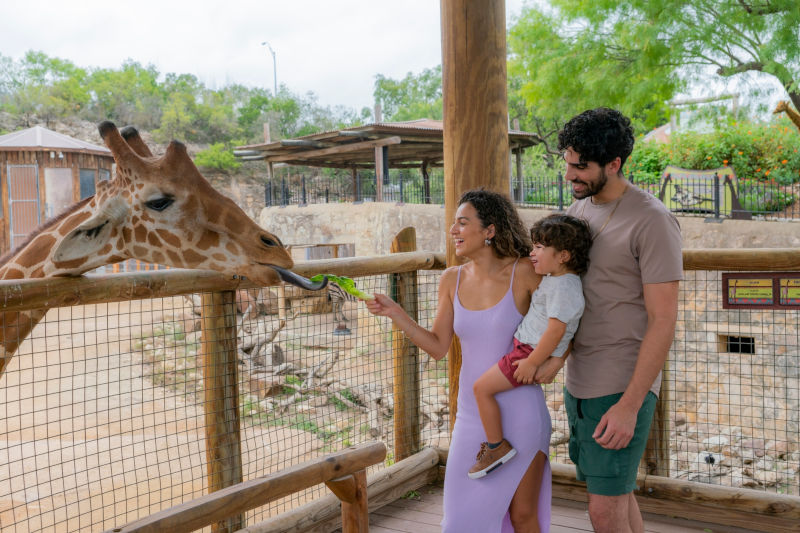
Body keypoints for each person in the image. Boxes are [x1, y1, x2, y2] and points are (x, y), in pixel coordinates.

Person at [366, 189, 552, 532]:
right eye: (453, 223)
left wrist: (553, 364)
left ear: (490, 231)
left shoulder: (526, 272)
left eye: (462, 222)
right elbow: (438, 347)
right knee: (458, 520)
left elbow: (568, 319)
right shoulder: (450, 278)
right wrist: (396, 314)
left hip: (522, 411)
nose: (453, 230)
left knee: (523, 516)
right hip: (470, 417)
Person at [533, 107, 683, 533]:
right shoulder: (579, 212)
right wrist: (558, 362)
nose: (569, 176)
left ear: (614, 164)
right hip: (581, 382)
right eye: (567, 164)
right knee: (617, 497)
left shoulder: (653, 220)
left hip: (620, 386)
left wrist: (630, 405)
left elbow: (663, 319)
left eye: (580, 168)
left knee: (603, 512)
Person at [469, 214, 592, 480]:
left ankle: (495, 446)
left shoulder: (565, 287)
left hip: (527, 353)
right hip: (527, 350)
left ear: (563, 256)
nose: (531, 252)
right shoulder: (556, 280)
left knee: (481, 389)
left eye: (539, 248)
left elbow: (556, 330)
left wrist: (533, 362)